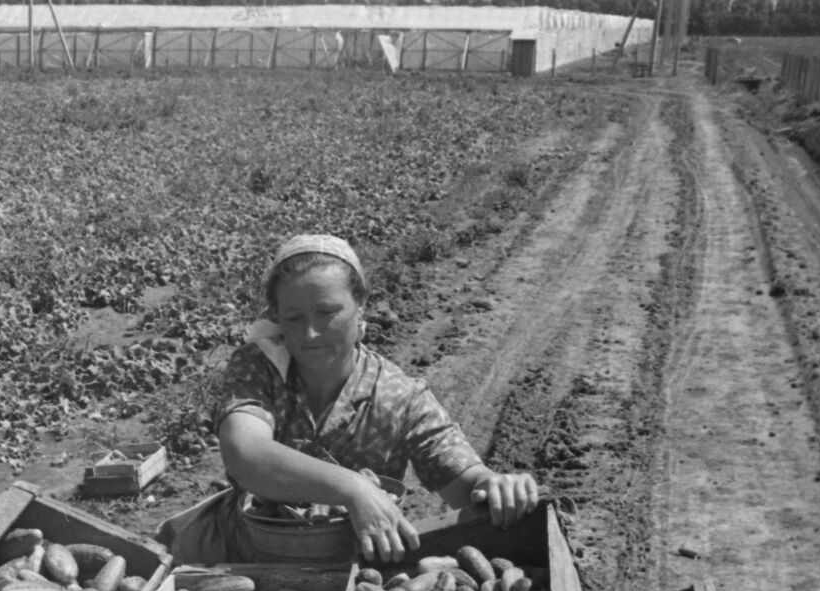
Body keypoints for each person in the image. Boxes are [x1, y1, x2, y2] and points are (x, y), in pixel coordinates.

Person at [159, 233, 538, 565]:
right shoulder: (259, 367)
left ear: (360, 308)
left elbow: (462, 480)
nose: (310, 334)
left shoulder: (398, 396)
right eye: (293, 318)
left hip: (357, 565)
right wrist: (354, 488)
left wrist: (494, 485)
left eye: (326, 313)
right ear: (276, 317)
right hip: (249, 554)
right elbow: (245, 454)